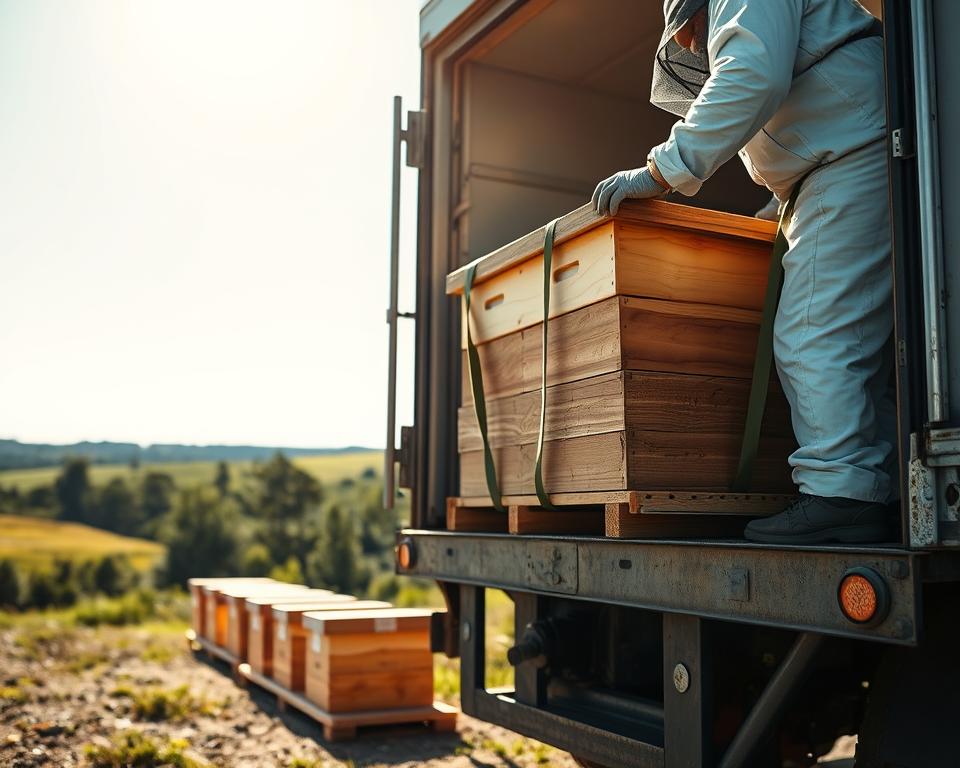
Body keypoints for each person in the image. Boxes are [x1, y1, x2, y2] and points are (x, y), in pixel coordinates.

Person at [592, 0, 896, 544]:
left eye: (689, 32)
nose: (690, 47)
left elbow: (752, 74)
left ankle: (844, 496)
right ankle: (875, 488)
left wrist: (662, 170)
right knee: (862, 345)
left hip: (853, 150)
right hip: (849, 151)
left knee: (812, 334)